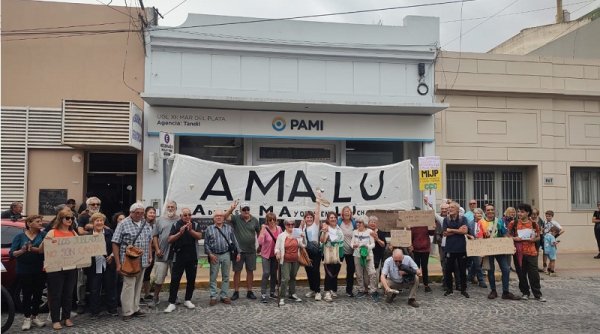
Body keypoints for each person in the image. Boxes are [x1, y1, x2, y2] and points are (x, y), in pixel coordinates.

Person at [111, 202, 153, 321]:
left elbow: (149, 240)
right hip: (128, 260)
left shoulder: (146, 224)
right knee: (128, 285)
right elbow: (115, 242)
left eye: (141, 213)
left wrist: (150, 255)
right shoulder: (123, 223)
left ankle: (135, 308)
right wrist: (118, 263)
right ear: (131, 213)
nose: (139, 215)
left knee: (138, 285)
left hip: (143, 260)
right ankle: (127, 311)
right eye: (137, 213)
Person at [9, 215, 47, 330]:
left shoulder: (43, 235)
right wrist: (22, 250)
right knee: (26, 294)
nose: (41, 223)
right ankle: (26, 318)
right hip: (24, 270)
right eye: (38, 221)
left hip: (39, 269)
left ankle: (35, 317)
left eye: (41, 221)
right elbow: (12, 254)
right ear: (29, 223)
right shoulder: (19, 237)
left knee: (38, 294)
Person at [44, 208, 78, 330]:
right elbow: (44, 248)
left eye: (72, 218)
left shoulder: (74, 233)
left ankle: (66, 317)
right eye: (67, 218)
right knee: (55, 295)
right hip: (56, 268)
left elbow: (79, 248)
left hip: (71, 267)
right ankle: (55, 319)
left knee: (68, 294)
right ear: (61, 219)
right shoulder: (52, 232)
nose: (70, 220)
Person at [163, 208, 202, 313]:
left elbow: (199, 236)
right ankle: (172, 302)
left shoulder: (196, 225)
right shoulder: (176, 224)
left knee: (191, 279)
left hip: (192, 256)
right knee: (175, 279)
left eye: (189, 214)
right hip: (178, 256)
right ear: (181, 216)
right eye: (185, 215)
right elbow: (170, 239)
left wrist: (190, 230)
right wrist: (180, 233)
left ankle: (188, 299)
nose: (187, 216)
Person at [481, 204, 520, 301]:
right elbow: (478, 235)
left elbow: (505, 233)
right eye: (488, 210)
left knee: (506, 269)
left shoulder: (499, 221)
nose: (490, 211)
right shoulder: (481, 222)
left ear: (494, 210)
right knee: (490, 270)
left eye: (492, 209)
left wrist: (511, 245)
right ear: (485, 211)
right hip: (488, 248)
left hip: (500, 248)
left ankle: (505, 292)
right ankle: (493, 290)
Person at [508, 203, 545, 302]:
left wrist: (534, 239)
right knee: (521, 274)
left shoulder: (534, 224)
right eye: (518, 211)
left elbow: (538, 237)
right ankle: (525, 292)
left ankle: (537, 294)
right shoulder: (513, 223)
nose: (519, 213)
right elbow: (507, 236)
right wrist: (514, 238)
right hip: (519, 253)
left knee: (534, 274)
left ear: (528, 213)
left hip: (532, 252)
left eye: (522, 212)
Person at [224, 201, 260, 301]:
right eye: (244, 209)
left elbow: (259, 233)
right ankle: (236, 291)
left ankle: (249, 291)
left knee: (250, 271)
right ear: (240, 210)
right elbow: (225, 217)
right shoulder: (236, 218)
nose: (246, 211)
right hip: (238, 251)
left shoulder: (255, 220)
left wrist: (260, 246)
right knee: (237, 271)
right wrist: (231, 208)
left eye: (247, 209)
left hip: (251, 250)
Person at [204, 210, 241, 306]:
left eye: (220, 216)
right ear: (214, 218)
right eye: (216, 216)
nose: (219, 217)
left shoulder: (229, 228)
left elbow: (234, 241)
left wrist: (238, 253)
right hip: (214, 255)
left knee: (226, 276)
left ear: (224, 218)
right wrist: (210, 254)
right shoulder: (209, 229)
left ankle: (224, 295)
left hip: (226, 254)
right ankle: (213, 296)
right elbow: (206, 244)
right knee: (213, 276)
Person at [86, 213, 117, 317]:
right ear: (92, 223)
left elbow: (116, 245)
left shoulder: (110, 232)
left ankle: (112, 309)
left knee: (110, 287)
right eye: (97, 221)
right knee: (94, 288)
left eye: (101, 221)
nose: (99, 223)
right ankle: (94, 311)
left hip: (109, 264)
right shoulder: (88, 236)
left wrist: (112, 256)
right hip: (94, 265)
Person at [151, 201, 178, 307]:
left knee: (175, 278)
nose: (170, 208)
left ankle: (173, 297)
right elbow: (155, 236)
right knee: (159, 278)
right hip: (161, 255)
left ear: (176, 208)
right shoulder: (159, 220)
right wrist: (157, 249)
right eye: (168, 207)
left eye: (172, 207)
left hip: (175, 255)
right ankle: (155, 298)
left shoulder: (180, 220)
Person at [274, 218, 306, 306]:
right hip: (285, 260)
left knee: (293, 277)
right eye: (289, 225)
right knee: (285, 279)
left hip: (295, 259)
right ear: (285, 225)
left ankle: (292, 294)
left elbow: (303, 245)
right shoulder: (281, 236)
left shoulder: (296, 234)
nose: (291, 226)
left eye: (292, 225)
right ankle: (282, 296)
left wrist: (303, 237)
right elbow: (276, 248)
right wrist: (277, 253)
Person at [442, 201, 469, 298]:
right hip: (450, 248)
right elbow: (445, 233)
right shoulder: (446, 220)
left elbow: (465, 231)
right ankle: (449, 289)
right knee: (448, 270)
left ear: (457, 209)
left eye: (452, 207)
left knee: (462, 270)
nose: (450, 209)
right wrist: (458, 231)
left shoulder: (463, 219)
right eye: (449, 207)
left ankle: (463, 289)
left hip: (461, 248)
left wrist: (451, 230)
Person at [301, 194, 322, 302]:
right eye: (307, 217)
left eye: (310, 217)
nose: (309, 219)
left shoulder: (315, 225)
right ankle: (312, 289)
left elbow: (317, 212)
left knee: (315, 271)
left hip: (316, 251)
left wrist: (318, 201)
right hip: (306, 251)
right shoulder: (303, 227)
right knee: (308, 271)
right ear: (304, 219)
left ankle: (318, 291)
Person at [351, 216, 378, 301]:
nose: (358, 224)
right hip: (357, 255)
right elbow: (352, 243)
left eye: (360, 222)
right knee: (359, 273)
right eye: (357, 222)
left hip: (368, 255)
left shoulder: (369, 231)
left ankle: (373, 290)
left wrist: (367, 247)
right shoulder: (354, 232)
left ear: (364, 223)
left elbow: (373, 244)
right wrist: (353, 246)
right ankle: (361, 290)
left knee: (372, 272)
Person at [257, 212, 282, 303]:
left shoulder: (279, 229)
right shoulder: (265, 229)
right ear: (267, 221)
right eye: (270, 220)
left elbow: (281, 240)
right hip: (266, 255)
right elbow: (260, 242)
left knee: (274, 274)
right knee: (266, 273)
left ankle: (272, 292)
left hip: (275, 255)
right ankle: (263, 293)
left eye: (274, 220)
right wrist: (263, 231)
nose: (272, 222)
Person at [320, 211, 343, 302]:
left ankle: (333, 289)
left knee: (335, 273)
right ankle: (327, 292)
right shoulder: (326, 228)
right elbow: (322, 241)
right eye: (331, 218)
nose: (333, 219)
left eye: (334, 218)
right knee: (329, 273)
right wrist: (325, 232)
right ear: (328, 219)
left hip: (339, 253)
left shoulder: (339, 228)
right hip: (328, 253)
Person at [411, 216, 434, 293]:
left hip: (425, 249)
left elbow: (432, 233)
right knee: (416, 267)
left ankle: (426, 285)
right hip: (415, 249)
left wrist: (433, 226)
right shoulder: (413, 226)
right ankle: (416, 284)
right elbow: (410, 237)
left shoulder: (426, 225)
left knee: (424, 267)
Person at [337, 206, 356, 297]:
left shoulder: (354, 223)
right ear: (342, 214)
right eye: (345, 211)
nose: (347, 213)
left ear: (351, 213)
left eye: (348, 211)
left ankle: (349, 290)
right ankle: (333, 289)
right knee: (335, 270)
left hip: (351, 251)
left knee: (350, 271)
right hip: (340, 250)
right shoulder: (339, 222)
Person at [466, 208, 486, 288]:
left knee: (477, 263)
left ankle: (470, 277)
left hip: (483, 244)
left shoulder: (484, 223)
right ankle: (481, 280)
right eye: (477, 213)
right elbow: (466, 233)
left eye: (480, 213)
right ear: (474, 215)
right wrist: (470, 236)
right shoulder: (470, 223)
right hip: (473, 245)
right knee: (477, 262)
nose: (478, 215)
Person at [141, 207, 157, 302]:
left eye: (153, 213)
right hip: (143, 252)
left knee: (147, 273)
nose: (152, 214)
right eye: (150, 212)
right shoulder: (142, 223)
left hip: (153, 251)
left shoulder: (156, 224)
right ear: (146, 213)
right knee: (141, 274)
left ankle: (147, 294)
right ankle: (138, 295)